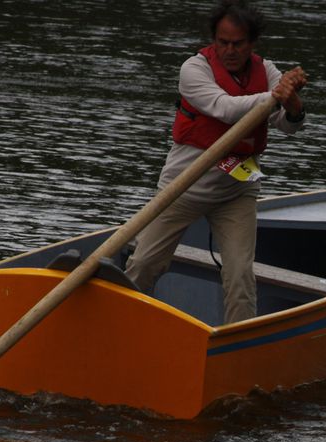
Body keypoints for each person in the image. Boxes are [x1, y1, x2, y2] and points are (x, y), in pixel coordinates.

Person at [124, 0, 307, 324]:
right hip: (183, 188)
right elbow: (223, 108)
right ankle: (119, 321)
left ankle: (238, 347)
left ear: (251, 44)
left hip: (236, 192)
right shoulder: (194, 69)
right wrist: (275, 96)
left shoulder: (266, 72)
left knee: (240, 278)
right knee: (144, 265)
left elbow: (289, 127)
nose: (229, 50)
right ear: (213, 40)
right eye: (222, 42)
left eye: (237, 43)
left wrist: (293, 106)